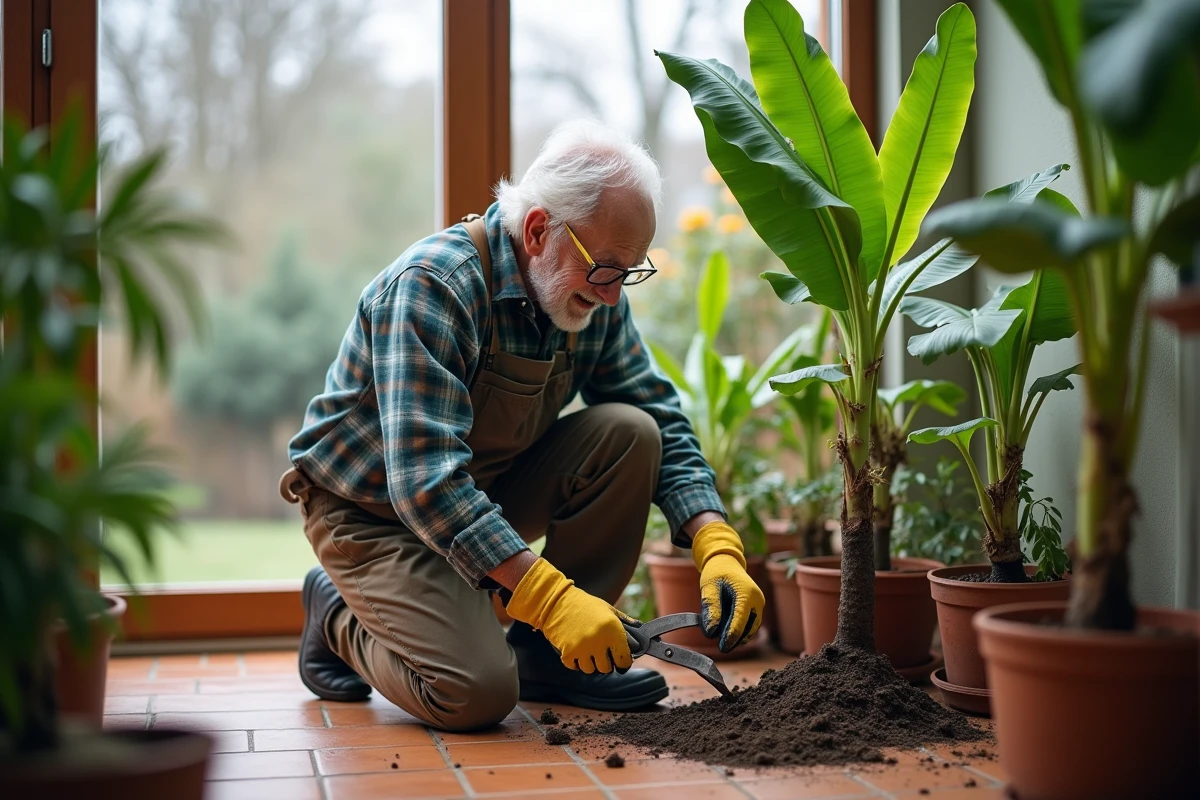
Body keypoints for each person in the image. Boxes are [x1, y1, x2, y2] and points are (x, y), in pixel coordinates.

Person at [279, 120, 765, 732]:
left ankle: (550, 660)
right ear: (538, 230)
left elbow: (660, 414)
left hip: (485, 492)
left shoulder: (591, 291)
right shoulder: (435, 286)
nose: (614, 297)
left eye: (628, 273)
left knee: (631, 431)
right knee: (476, 693)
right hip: (375, 515)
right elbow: (426, 483)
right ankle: (335, 611)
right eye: (606, 269)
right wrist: (551, 601)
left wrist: (715, 541)